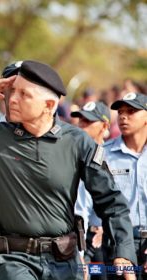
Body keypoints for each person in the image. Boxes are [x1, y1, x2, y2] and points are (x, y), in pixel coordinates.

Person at [0, 60, 137, 280]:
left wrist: (124, 253)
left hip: (64, 263)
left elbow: (111, 202)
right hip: (13, 261)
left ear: (49, 105)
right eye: (11, 92)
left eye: (24, 94)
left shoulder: (78, 142)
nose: (12, 99)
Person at [104, 92, 146, 279]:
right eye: (120, 111)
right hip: (117, 243)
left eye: (131, 111)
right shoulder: (104, 154)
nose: (123, 116)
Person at [71, 101, 111, 280]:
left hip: (105, 239)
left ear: (104, 126)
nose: (82, 125)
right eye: (80, 120)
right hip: (77, 236)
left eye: (88, 121)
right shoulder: (70, 154)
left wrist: (106, 225)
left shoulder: (112, 156)